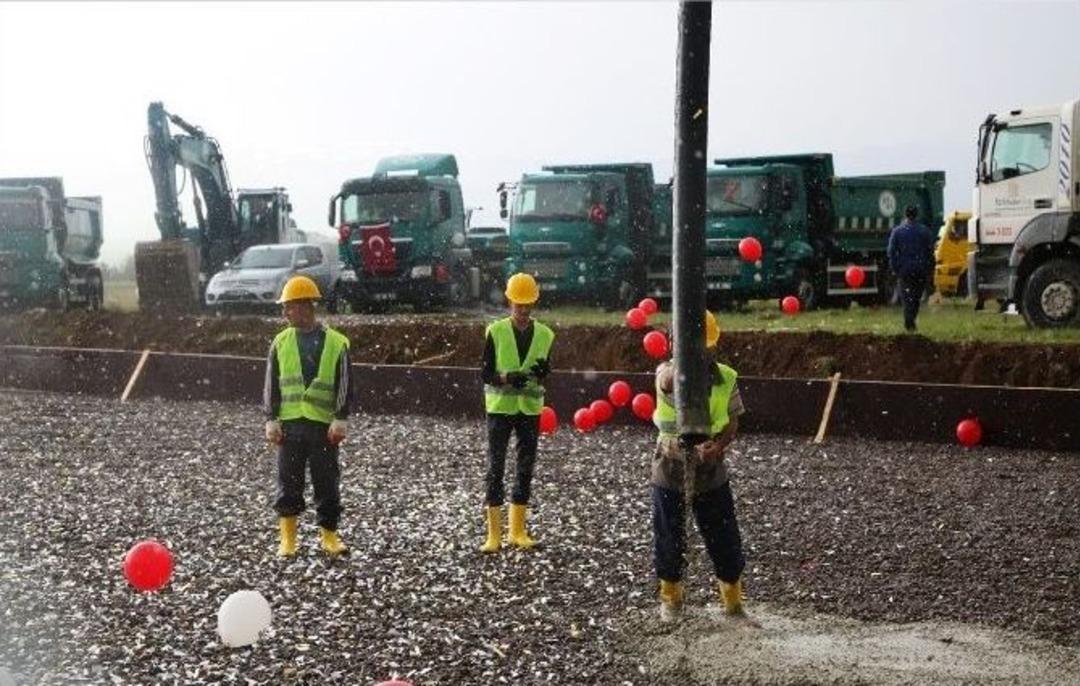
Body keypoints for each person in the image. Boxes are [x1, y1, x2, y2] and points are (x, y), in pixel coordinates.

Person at [652, 311, 748, 622]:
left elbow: (732, 422)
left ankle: (733, 602)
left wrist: (718, 446)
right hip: (669, 466)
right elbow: (666, 382)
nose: (701, 354)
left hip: (710, 469)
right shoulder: (667, 372)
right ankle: (671, 600)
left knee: (723, 536)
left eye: (704, 348)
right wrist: (684, 364)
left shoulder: (727, 377)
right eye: (694, 348)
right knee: (669, 536)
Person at [263, 275, 352, 558]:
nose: (285, 312)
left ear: (305, 306)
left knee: (326, 481)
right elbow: (271, 383)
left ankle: (329, 535)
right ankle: (288, 539)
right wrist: (271, 418)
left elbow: (345, 383)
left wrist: (341, 417)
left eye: (289, 306)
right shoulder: (280, 342)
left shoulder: (338, 343)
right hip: (290, 426)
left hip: (323, 426)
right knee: (288, 480)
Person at [478, 272, 555, 553]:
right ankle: (494, 534)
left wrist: (545, 372)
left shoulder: (546, 334)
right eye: (518, 305)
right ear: (509, 301)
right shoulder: (496, 332)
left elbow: (545, 369)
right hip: (500, 409)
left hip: (530, 409)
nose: (523, 310)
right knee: (495, 468)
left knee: (525, 467)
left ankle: (518, 531)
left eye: (527, 305)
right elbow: (485, 373)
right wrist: (507, 378)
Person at [887, 205, 935, 331]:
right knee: (917, 297)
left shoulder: (897, 231)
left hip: (904, 270)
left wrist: (895, 268)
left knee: (907, 297)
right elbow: (930, 252)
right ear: (917, 215)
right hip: (920, 269)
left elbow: (891, 252)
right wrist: (930, 269)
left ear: (905, 215)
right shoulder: (924, 231)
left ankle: (909, 321)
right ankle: (911, 320)